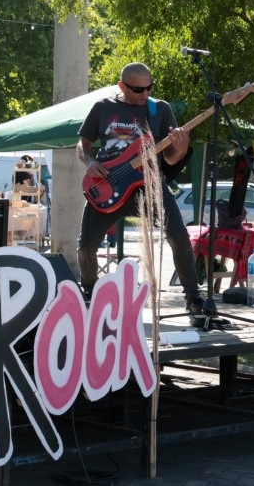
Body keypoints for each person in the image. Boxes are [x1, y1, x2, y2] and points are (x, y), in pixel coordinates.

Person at [77, 62, 205, 317]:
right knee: (86, 246)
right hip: (107, 185)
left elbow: (169, 159)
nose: (145, 94)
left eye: (149, 87)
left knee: (179, 237)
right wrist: (90, 161)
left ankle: (193, 298)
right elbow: (83, 144)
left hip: (149, 186)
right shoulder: (103, 108)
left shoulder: (160, 110)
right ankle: (90, 295)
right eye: (138, 89)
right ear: (122, 86)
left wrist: (181, 146)